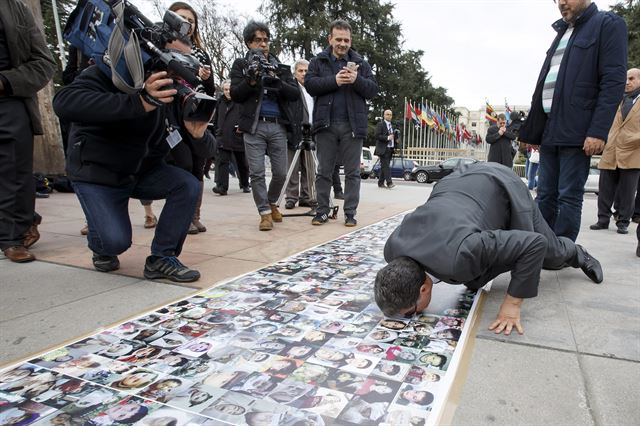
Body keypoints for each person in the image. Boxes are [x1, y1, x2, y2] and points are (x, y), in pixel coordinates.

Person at [375, 162, 604, 335]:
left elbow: (533, 244)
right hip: (458, 185)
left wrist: (512, 304)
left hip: (500, 184)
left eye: (412, 312)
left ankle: (578, 253)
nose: (415, 316)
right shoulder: (392, 250)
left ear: (423, 290)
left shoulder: (461, 255)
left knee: (550, 255)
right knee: (473, 279)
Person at [53, 37, 210, 282]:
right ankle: (99, 241)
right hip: (98, 173)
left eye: (184, 62)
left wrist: (198, 135)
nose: (177, 69)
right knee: (114, 242)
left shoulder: (175, 92)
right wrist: (139, 101)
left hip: (140, 171)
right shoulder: (109, 73)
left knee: (187, 184)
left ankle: (162, 257)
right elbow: (64, 102)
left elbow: (208, 148)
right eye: (173, 61)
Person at [518, 0, 627, 242]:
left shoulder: (607, 25)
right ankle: (540, 246)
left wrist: (598, 131)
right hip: (550, 128)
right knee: (544, 194)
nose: (562, 2)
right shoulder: (562, 32)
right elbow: (546, 83)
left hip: (578, 131)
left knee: (568, 195)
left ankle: (561, 250)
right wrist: (531, 131)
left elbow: (612, 82)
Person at [142, 2, 216, 235]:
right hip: (159, 109)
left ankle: (190, 215)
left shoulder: (200, 53)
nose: (187, 24)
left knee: (192, 164)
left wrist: (204, 78)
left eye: (191, 20)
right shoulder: (154, 48)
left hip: (188, 111)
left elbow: (208, 89)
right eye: (182, 18)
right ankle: (148, 210)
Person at [306, 19, 379, 227]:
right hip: (325, 124)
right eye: (338, 39)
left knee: (353, 173)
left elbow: (373, 90)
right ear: (330, 39)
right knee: (324, 171)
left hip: (352, 126)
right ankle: (321, 211)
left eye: (346, 40)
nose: (342, 43)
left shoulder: (361, 63)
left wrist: (356, 79)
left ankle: (350, 213)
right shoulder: (318, 61)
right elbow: (310, 85)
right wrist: (334, 81)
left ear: (351, 40)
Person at [0, 0, 56, 262]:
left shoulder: (16, 9)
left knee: (13, 171)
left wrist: (5, 81)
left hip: (9, 98)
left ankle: (13, 236)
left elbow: (44, 62)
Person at [230, 21, 299, 231]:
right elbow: (235, 95)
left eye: (266, 40)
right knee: (257, 173)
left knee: (280, 173)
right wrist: (251, 80)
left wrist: (277, 79)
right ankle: (265, 212)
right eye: (258, 40)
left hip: (278, 125)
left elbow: (294, 94)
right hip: (254, 126)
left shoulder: (280, 66)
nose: (263, 44)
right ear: (249, 43)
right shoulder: (241, 65)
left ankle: (271, 201)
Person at [590, 68, 640, 235]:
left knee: (628, 191)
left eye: (631, 78)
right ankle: (602, 219)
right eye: (625, 78)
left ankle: (623, 222)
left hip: (633, 152)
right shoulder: (615, 100)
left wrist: (632, 139)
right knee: (604, 188)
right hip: (611, 150)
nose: (627, 82)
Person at [284, 59, 316, 210]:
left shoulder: (313, 90)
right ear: (295, 72)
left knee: (308, 168)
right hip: (294, 132)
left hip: (311, 133)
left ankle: (306, 196)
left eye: (306, 71)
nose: (303, 74)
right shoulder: (292, 88)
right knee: (292, 166)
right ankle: (291, 197)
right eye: (300, 71)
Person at [212, 79, 250, 195]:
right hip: (223, 137)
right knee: (222, 162)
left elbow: (246, 115)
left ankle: (244, 184)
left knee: (242, 163)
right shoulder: (220, 102)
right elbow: (216, 117)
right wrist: (217, 130)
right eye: (225, 90)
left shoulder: (240, 101)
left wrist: (242, 127)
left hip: (237, 136)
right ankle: (222, 187)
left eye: (229, 89)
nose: (228, 92)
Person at [374, 110, 398, 189]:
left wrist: (396, 141)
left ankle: (380, 183)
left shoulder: (392, 126)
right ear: (384, 115)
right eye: (387, 114)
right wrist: (387, 138)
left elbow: (393, 137)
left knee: (384, 166)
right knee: (386, 166)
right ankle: (389, 183)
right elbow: (377, 136)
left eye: (390, 115)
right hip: (383, 149)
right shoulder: (380, 124)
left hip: (390, 149)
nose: (389, 116)